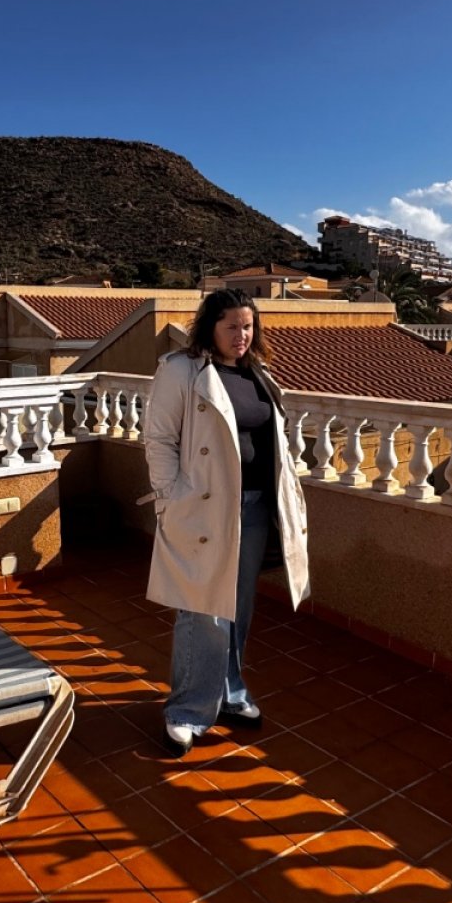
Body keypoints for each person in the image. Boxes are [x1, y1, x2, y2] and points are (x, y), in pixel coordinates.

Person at [141, 288, 311, 757]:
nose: (242, 335)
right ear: (210, 327)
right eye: (232, 326)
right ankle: (186, 710)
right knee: (202, 610)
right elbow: (158, 438)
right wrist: (171, 499)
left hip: (254, 508)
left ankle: (231, 693)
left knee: (237, 607)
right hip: (204, 509)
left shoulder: (258, 372)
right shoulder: (182, 370)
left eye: (248, 326)